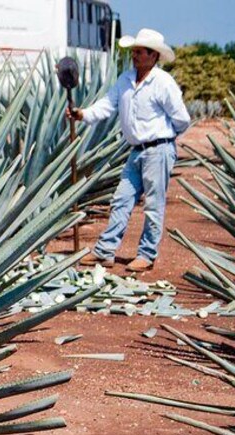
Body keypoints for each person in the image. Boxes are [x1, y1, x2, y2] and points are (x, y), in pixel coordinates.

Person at [69, 28, 191, 273]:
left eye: (139, 51)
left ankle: (146, 254)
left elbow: (182, 119)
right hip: (135, 151)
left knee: (154, 205)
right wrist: (82, 115)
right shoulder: (125, 80)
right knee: (121, 199)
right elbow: (107, 105)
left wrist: (164, 139)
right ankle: (105, 252)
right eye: (133, 51)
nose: (134, 55)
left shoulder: (163, 83)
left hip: (158, 151)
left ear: (153, 55)